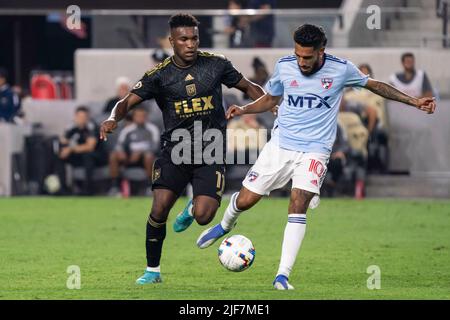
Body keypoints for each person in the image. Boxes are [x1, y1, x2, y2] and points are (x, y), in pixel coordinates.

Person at [195, 24, 436, 290]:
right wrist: (244, 109)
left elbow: (375, 86)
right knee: (245, 199)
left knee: (297, 204)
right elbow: (271, 99)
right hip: (281, 145)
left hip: (315, 150)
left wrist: (413, 101)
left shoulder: (341, 69)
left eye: (307, 57)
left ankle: (282, 275)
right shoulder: (285, 66)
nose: (301, 62)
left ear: (321, 51)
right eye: (298, 55)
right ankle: (225, 225)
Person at [99, 14, 266, 285]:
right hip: (174, 151)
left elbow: (248, 87)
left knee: (204, 216)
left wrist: (272, 104)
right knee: (159, 210)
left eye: (194, 38)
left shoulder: (216, 64)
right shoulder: (159, 75)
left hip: (210, 151)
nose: (190, 44)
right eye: (184, 39)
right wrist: (111, 119)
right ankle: (152, 271)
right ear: (172, 41)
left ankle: (191, 209)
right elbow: (126, 101)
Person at [108, 107, 160, 196]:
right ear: (134, 117)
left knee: (148, 156)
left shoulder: (152, 129)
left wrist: (140, 152)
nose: (140, 118)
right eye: (138, 116)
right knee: (113, 155)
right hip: (129, 157)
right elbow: (119, 145)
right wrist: (121, 152)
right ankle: (115, 187)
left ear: (146, 117)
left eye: (143, 116)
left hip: (145, 159)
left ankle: (149, 187)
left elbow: (156, 147)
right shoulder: (128, 130)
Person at [58, 106, 106, 195]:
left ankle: (87, 189)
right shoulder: (71, 127)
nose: (82, 119)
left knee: (87, 156)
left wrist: (71, 148)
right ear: (75, 117)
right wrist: (64, 149)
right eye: (79, 117)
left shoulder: (92, 127)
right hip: (78, 155)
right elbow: (63, 141)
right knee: (59, 157)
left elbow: (90, 147)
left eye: (84, 117)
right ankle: (63, 189)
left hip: (96, 157)